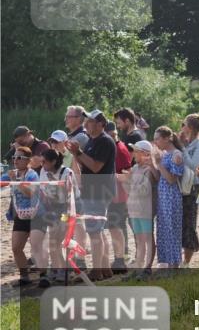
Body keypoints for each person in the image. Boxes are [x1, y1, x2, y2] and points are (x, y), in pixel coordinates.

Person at [66, 109, 117, 280]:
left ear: (101, 124)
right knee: (98, 231)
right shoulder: (91, 141)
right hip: (91, 190)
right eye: (86, 121)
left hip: (99, 191)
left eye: (91, 121)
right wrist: (76, 154)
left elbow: (96, 167)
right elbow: (86, 166)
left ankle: (97, 271)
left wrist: (78, 153)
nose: (87, 123)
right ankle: (104, 268)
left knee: (95, 232)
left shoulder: (104, 141)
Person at [37, 148, 75, 286]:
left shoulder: (67, 172)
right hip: (53, 208)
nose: (42, 165)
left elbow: (70, 196)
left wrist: (56, 185)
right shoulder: (43, 171)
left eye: (44, 162)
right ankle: (57, 269)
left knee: (60, 239)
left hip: (67, 208)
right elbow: (43, 191)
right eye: (41, 162)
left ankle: (64, 270)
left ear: (53, 161)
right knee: (53, 240)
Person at [4, 147, 41, 286]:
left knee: (37, 247)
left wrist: (16, 181)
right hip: (20, 215)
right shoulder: (12, 173)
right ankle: (24, 275)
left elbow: (30, 193)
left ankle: (44, 275)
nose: (15, 160)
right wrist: (11, 179)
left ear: (28, 160)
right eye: (14, 157)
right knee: (16, 247)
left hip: (36, 215)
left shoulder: (32, 175)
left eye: (19, 157)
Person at [152, 126, 186, 268]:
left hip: (171, 196)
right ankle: (166, 263)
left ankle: (174, 265)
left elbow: (172, 179)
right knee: (164, 228)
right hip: (163, 196)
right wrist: (153, 164)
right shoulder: (165, 153)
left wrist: (159, 164)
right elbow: (160, 177)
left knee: (172, 229)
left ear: (167, 138)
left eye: (157, 139)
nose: (155, 142)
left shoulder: (176, 154)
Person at [121, 140, 156, 274]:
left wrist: (128, 180)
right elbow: (129, 190)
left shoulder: (149, 170)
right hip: (134, 209)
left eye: (136, 151)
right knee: (139, 239)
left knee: (147, 239)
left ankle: (147, 267)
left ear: (145, 154)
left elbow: (144, 191)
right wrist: (125, 181)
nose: (133, 154)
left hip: (145, 210)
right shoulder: (135, 168)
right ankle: (139, 266)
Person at [178, 113, 199, 264]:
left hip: (192, 187)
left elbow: (193, 164)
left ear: (189, 128)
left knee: (189, 223)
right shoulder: (187, 143)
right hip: (179, 186)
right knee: (179, 222)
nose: (181, 127)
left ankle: (187, 262)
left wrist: (182, 148)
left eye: (183, 125)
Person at [105, 122, 133, 274]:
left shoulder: (120, 149)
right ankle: (120, 257)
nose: (114, 137)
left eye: (114, 134)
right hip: (112, 194)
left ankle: (120, 259)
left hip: (119, 195)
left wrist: (112, 176)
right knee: (115, 226)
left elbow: (127, 176)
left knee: (116, 226)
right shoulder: (113, 147)